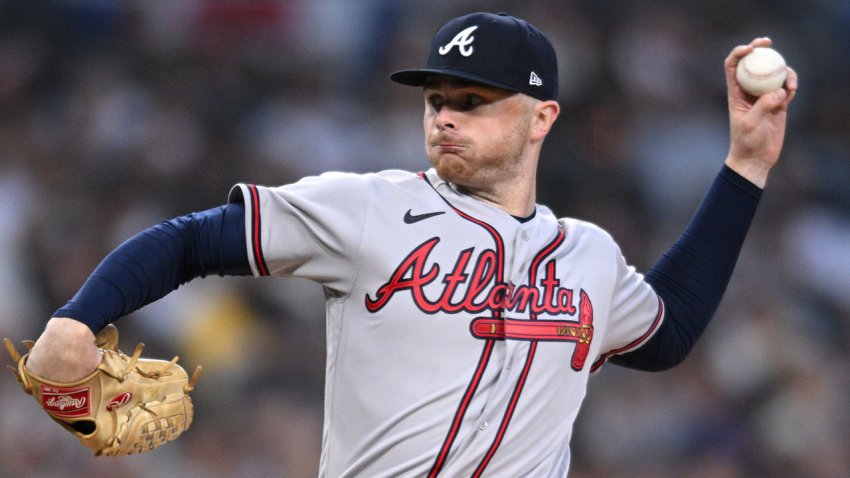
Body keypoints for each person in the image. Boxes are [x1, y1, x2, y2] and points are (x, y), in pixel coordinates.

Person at [21, 11, 795, 477]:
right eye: (436, 100)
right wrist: (77, 319)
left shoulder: (588, 254)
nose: (445, 117)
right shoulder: (368, 208)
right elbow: (192, 241)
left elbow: (670, 330)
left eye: (474, 101)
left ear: (542, 118)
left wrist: (746, 167)